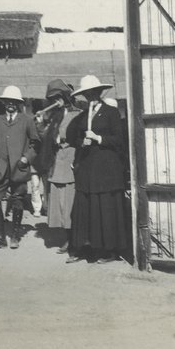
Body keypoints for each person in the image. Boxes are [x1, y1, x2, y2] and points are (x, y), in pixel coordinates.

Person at [65, 75, 127, 264]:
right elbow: (70, 137)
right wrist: (80, 141)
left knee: (105, 210)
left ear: (99, 93)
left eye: (92, 93)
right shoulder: (82, 116)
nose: (89, 97)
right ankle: (85, 248)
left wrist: (99, 138)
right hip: (87, 170)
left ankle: (109, 251)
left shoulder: (111, 113)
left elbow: (119, 140)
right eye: (86, 94)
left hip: (107, 171)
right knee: (84, 210)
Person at [0, 85, 40, 249]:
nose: (11, 104)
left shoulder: (27, 121)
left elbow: (35, 143)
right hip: (0, 169)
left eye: (14, 101)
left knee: (17, 201)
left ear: (19, 103)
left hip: (19, 169)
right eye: (8, 101)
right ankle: (0, 237)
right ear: (4, 102)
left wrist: (26, 159)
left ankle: (15, 234)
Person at [35, 79, 78, 253]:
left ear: (66, 97)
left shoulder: (78, 114)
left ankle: (76, 240)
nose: (56, 102)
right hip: (57, 163)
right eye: (53, 99)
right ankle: (68, 239)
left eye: (58, 98)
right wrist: (39, 123)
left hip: (72, 162)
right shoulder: (55, 117)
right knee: (61, 204)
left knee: (71, 203)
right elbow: (45, 139)